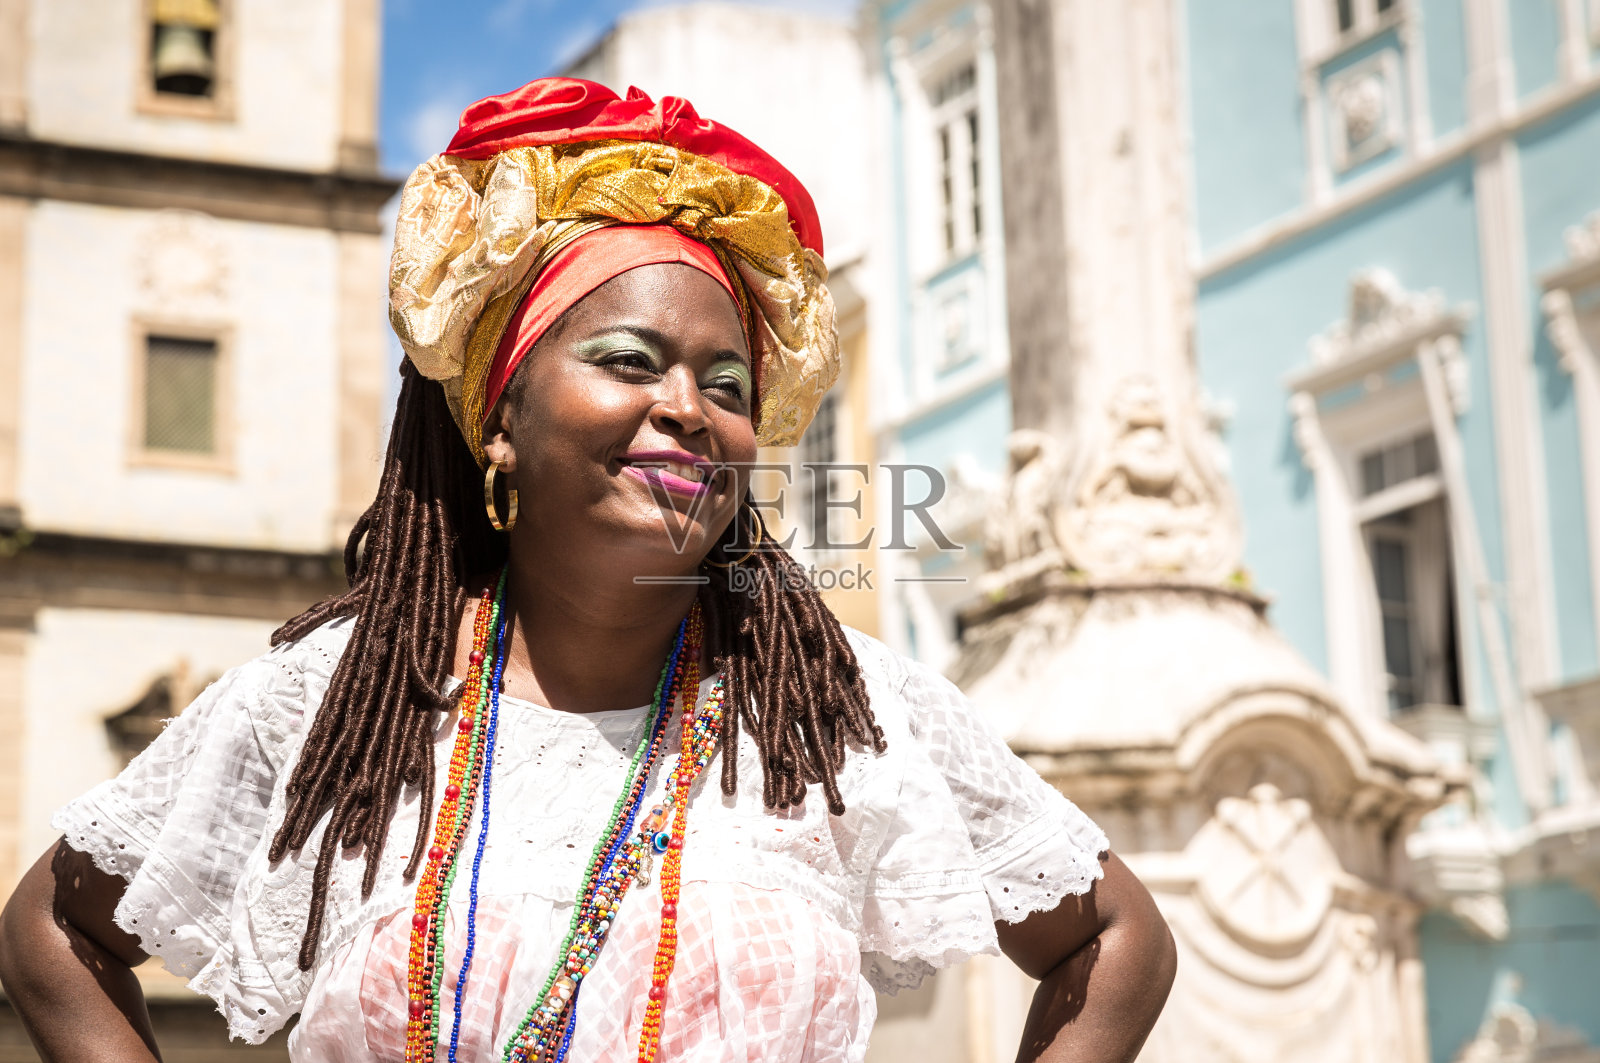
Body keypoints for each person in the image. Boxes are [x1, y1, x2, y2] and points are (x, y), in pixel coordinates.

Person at [0, 79, 1175, 1063]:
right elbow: (54, 924)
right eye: (629, 360)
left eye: (727, 386)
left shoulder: (840, 710)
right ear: (501, 416)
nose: (686, 409)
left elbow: (1114, 938)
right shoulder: (337, 699)